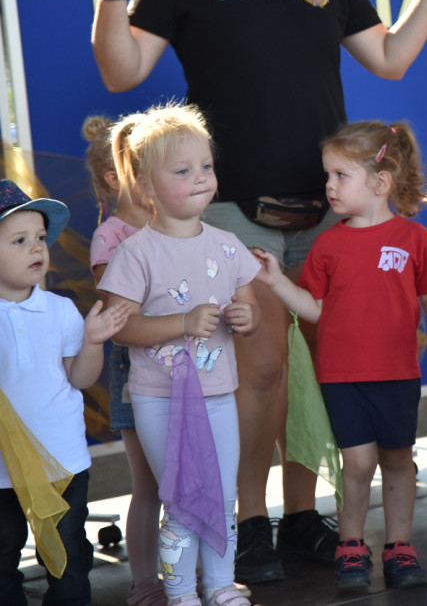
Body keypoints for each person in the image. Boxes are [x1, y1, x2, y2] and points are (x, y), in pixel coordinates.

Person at [91, 0, 427, 583]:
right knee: (259, 370)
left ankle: (301, 518)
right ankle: (249, 524)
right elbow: (122, 71)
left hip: (330, 208)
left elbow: (389, 57)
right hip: (231, 205)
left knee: (327, 370)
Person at [251, 120, 427, 591]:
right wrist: (276, 281)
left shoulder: (412, 238)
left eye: (341, 175)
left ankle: (400, 546)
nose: (329, 186)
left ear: (380, 182)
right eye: (328, 175)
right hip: (342, 377)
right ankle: (351, 545)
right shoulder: (327, 244)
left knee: (399, 460)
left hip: (397, 374)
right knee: (360, 463)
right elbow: (315, 309)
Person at [98, 103, 261, 606]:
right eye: (183, 171)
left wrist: (246, 318)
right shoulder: (135, 253)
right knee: (181, 497)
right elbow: (121, 330)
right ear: (146, 185)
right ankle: (180, 590)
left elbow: (250, 308)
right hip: (159, 398)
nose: (201, 178)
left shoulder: (228, 245)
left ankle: (220, 584)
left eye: (206, 166)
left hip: (218, 395)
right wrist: (183, 323)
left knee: (223, 493)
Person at [0, 180, 130, 606]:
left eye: (40, 237)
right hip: (2, 469)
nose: (37, 248)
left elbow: (80, 379)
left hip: (62, 460)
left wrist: (92, 341)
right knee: (2, 556)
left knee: (69, 553)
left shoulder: (60, 309)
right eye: (19, 240)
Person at [85, 113, 167, 605]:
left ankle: (194, 574)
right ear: (116, 179)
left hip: (186, 364)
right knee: (150, 483)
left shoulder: (173, 226)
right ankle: (144, 582)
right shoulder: (110, 236)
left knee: (189, 477)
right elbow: (121, 307)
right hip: (135, 368)